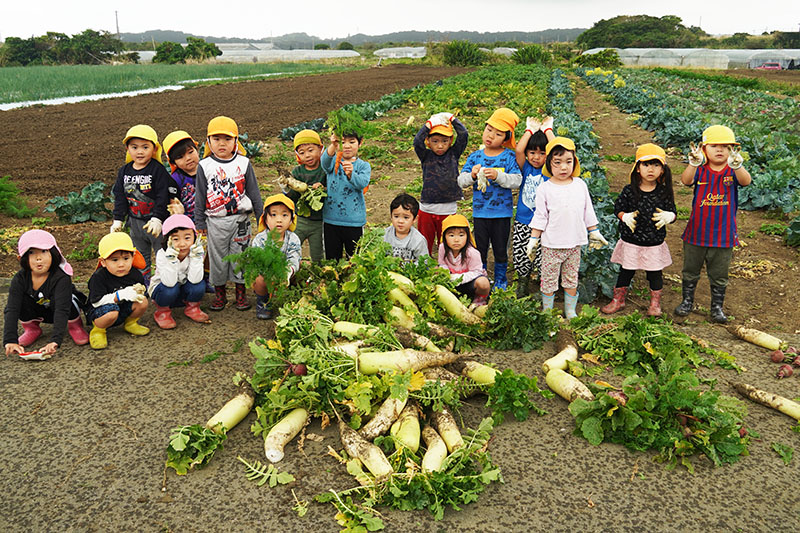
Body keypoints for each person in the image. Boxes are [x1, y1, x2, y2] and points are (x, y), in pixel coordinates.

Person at [675, 125, 751, 323]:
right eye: (714, 146)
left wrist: (738, 166)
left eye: (726, 147)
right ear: (703, 149)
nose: (720, 150)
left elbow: (746, 182)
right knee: (690, 270)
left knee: (719, 274)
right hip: (696, 232)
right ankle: (687, 301)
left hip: (723, 234)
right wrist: (693, 163)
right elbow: (685, 181)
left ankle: (717, 307)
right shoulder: (700, 170)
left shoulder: (732, 170)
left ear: (733, 151)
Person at [526, 137, 608, 319]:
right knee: (548, 280)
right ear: (549, 163)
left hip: (574, 244)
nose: (563, 167)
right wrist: (534, 239)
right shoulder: (545, 189)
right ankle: (548, 311)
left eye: (568, 162)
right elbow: (540, 216)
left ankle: (570, 310)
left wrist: (594, 231)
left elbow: (588, 210)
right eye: (558, 162)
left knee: (571, 278)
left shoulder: (580, 185)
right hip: (551, 245)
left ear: (575, 162)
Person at [194, 116, 263, 311]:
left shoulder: (243, 163)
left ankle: (240, 294)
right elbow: (200, 197)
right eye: (216, 139)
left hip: (241, 220)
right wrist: (199, 223)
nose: (222, 143)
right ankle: (220, 294)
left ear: (236, 141)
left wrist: (262, 218)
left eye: (227, 139)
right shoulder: (204, 166)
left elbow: (254, 193)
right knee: (218, 258)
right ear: (208, 142)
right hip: (215, 221)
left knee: (241, 256)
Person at [601, 143, 677, 316]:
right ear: (637, 168)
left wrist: (669, 217)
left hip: (653, 242)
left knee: (654, 274)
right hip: (631, 241)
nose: (651, 169)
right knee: (626, 272)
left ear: (663, 170)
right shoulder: (629, 191)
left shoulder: (664, 192)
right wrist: (624, 216)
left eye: (656, 165)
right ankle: (618, 300)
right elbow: (617, 208)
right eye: (646, 164)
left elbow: (673, 212)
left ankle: (655, 304)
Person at [457, 107, 522, 290]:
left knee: (501, 249)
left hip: (502, 214)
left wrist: (498, 176)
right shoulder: (475, 157)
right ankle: (482, 275)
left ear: (506, 138)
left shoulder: (509, 157)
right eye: (489, 130)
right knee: (480, 249)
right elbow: (461, 181)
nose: (491, 136)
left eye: (498, 133)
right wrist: (472, 175)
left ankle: (501, 279)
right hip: (480, 213)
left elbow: (517, 180)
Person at [4, 230, 89, 357]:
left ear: (54, 253)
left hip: (63, 310)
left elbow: (62, 309)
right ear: (22, 258)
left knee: (68, 300)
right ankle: (32, 329)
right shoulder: (20, 278)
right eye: (32, 253)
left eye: (44, 251)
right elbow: (12, 308)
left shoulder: (61, 277)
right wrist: (10, 340)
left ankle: (75, 326)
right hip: (41, 310)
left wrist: (55, 340)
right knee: (19, 301)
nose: (39, 258)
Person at [110, 125, 177, 284]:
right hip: (136, 223)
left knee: (163, 254)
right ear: (127, 148)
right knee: (140, 256)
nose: (139, 152)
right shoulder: (124, 172)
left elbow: (163, 196)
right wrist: (118, 220)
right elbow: (120, 197)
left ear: (154, 149)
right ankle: (144, 284)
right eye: (134, 147)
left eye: (145, 147)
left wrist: (158, 218)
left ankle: (164, 283)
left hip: (155, 224)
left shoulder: (157, 170)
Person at [162, 130, 215, 293]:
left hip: (212, 219)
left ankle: (206, 278)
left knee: (210, 252)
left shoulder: (209, 169)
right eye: (180, 157)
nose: (188, 158)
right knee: (194, 251)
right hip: (190, 224)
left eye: (190, 152)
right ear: (173, 162)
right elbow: (173, 200)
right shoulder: (176, 179)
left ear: (197, 150)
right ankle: (186, 279)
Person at [413, 111, 469, 254]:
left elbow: (463, 135)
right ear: (428, 142)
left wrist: (452, 118)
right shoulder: (425, 156)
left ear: (450, 141)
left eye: (444, 141)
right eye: (435, 141)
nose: (440, 146)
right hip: (427, 208)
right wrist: (429, 125)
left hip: (448, 209)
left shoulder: (453, 154)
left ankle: (445, 266)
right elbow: (417, 141)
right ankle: (424, 266)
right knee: (424, 242)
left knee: (446, 244)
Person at [512, 116, 556, 297]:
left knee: (542, 256)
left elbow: (557, 149)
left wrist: (547, 130)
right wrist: (529, 130)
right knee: (521, 253)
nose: (536, 157)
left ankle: (542, 285)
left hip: (545, 224)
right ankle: (523, 281)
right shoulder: (526, 168)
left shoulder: (551, 169)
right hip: (523, 221)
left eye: (542, 153)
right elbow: (518, 149)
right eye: (532, 153)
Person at [86, 233, 150, 350]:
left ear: (133, 256)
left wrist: (138, 293)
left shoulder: (135, 274)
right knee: (112, 312)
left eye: (126, 258)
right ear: (103, 262)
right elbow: (96, 302)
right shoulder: (99, 277)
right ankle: (98, 331)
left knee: (143, 301)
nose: (121, 264)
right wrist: (119, 296)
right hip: (100, 311)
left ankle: (130, 323)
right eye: (114, 260)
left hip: (123, 308)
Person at [148, 214, 209, 329]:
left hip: (181, 291)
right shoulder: (162, 254)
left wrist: (196, 258)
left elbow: (195, 279)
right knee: (170, 289)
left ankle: (192, 307)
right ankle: (162, 312)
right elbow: (169, 283)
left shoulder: (195, 251)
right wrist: (171, 260)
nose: (182, 244)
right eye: (176, 239)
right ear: (167, 240)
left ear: (194, 237)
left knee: (199, 284)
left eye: (187, 238)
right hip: (164, 291)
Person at [321, 129, 371, 260]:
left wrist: (351, 175)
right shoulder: (333, 162)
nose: (347, 146)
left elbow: (362, 183)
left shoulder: (363, 166)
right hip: (331, 219)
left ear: (360, 143)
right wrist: (332, 145)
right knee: (332, 258)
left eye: (352, 142)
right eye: (342, 142)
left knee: (354, 259)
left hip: (353, 221)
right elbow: (324, 163)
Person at [250, 194, 302, 320]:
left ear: (291, 219)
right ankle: (263, 302)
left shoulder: (293, 238)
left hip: (285, 272)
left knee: (301, 268)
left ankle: (294, 298)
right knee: (260, 279)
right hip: (266, 273)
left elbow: (294, 256)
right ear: (265, 219)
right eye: (273, 215)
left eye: (284, 215)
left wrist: (288, 271)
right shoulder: (260, 239)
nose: (279, 220)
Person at [280, 129, 326, 263]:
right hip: (301, 220)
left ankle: (319, 275)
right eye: (302, 152)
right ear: (297, 155)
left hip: (320, 221)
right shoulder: (297, 172)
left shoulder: (325, 170)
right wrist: (286, 188)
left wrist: (323, 189)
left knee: (318, 254)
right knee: (292, 248)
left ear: (320, 149)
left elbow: (333, 191)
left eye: (311, 150)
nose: (307, 155)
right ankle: (291, 271)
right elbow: (292, 197)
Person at [438, 214, 491, 306]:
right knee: (435, 270)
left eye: (461, 235)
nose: (456, 239)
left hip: (469, 284)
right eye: (451, 235)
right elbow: (442, 264)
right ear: (444, 236)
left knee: (483, 283)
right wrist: (447, 274)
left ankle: (479, 300)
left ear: (468, 236)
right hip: (450, 283)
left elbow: (476, 272)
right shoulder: (442, 248)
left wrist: (457, 278)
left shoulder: (472, 253)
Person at [384, 193, 429, 263]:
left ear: (415, 219)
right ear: (391, 216)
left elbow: (423, 262)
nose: (400, 221)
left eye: (406, 217)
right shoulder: (384, 234)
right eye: (396, 216)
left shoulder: (418, 240)